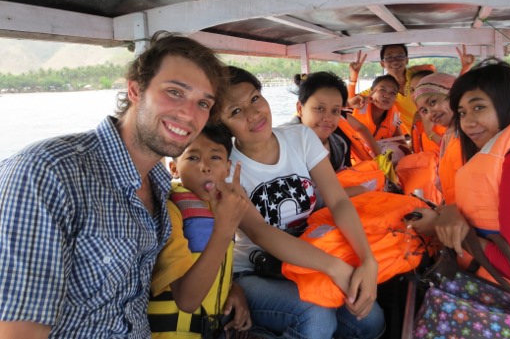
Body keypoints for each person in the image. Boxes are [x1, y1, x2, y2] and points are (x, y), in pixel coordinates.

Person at [0, 31, 228, 338]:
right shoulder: (49, 173)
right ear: (135, 90)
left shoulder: (160, 186)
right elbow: (18, 330)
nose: (189, 114)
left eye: (203, 103)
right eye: (175, 92)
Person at [219, 66, 385, 339]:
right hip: (256, 271)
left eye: (254, 99)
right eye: (235, 112)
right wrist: (335, 267)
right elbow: (261, 232)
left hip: (308, 260)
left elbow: (338, 201)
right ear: (221, 125)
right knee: (315, 316)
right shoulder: (227, 167)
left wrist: (367, 260)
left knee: (370, 319)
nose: (253, 114)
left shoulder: (301, 138)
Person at [148, 124, 355, 338]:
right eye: (193, 158)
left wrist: (232, 288)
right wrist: (225, 228)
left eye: (215, 158)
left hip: (215, 324)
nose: (205, 167)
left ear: (228, 168)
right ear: (174, 169)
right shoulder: (172, 211)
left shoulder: (222, 205)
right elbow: (187, 300)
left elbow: (221, 264)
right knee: (315, 315)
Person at [408, 60, 510, 323]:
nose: (469, 123)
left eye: (478, 108)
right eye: (462, 113)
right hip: (506, 296)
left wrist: (439, 226)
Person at [289, 72, 382, 196]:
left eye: (335, 111)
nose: (328, 118)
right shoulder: (284, 145)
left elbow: (362, 128)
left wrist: (380, 159)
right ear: (300, 109)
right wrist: (359, 191)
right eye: (319, 109)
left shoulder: (338, 143)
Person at [348, 44, 475, 134]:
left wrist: (465, 68)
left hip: (439, 126)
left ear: (407, 60)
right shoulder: (382, 88)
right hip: (415, 132)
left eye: (399, 57)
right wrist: (354, 77)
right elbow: (353, 101)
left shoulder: (417, 77)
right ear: (382, 63)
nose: (395, 61)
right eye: (389, 58)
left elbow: (447, 88)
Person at [412, 72, 462, 204]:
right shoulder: (449, 135)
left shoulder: (469, 134)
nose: (431, 113)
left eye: (433, 102)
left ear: (453, 95)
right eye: (424, 111)